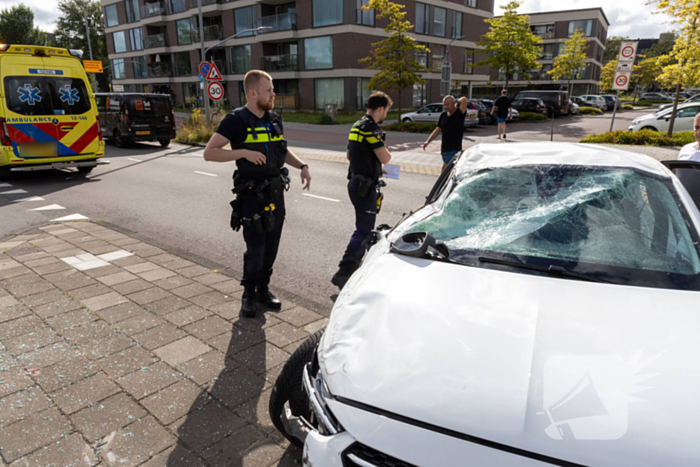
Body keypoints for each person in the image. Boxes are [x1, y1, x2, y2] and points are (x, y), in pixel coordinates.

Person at [203, 70, 311, 318]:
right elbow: (210, 153)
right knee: (256, 249)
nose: (274, 94)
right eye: (269, 90)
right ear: (252, 93)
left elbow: (280, 150)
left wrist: (302, 166)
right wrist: (242, 153)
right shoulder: (236, 120)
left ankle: (263, 290)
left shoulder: (273, 118)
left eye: (273, 90)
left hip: (275, 193)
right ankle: (248, 295)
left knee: (272, 247)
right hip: (252, 196)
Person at [331, 92, 393, 290]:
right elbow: (385, 158)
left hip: (356, 183)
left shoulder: (356, 125)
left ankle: (359, 270)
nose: (386, 115)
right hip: (364, 187)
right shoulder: (371, 128)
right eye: (387, 111)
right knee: (364, 230)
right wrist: (379, 162)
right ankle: (344, 272)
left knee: (364, 228)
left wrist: (370, 166)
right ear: (381, 108)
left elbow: (351, 154)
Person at [422, 95, 468, 171]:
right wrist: (428, 141)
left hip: (454, 150)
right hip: (444, 150)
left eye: (448, 104)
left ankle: (441, 183)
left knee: (444, 171)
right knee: (450, 172)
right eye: (444, 105)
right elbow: (437, 130)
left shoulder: (459, 113)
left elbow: (464, 99)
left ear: (453, 103)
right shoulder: (443, 115)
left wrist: (458, 104)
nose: (446, 106)